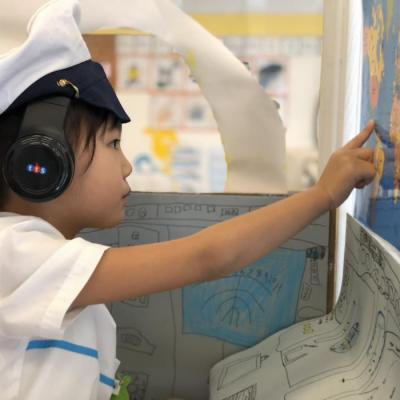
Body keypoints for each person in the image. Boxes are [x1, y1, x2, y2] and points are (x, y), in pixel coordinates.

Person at [0, 1, 376, 400]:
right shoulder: (14, 253)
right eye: (113, 144)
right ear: (41, 160)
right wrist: (322, 196)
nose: (127, 166)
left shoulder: (39, 256)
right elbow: (208, 257)